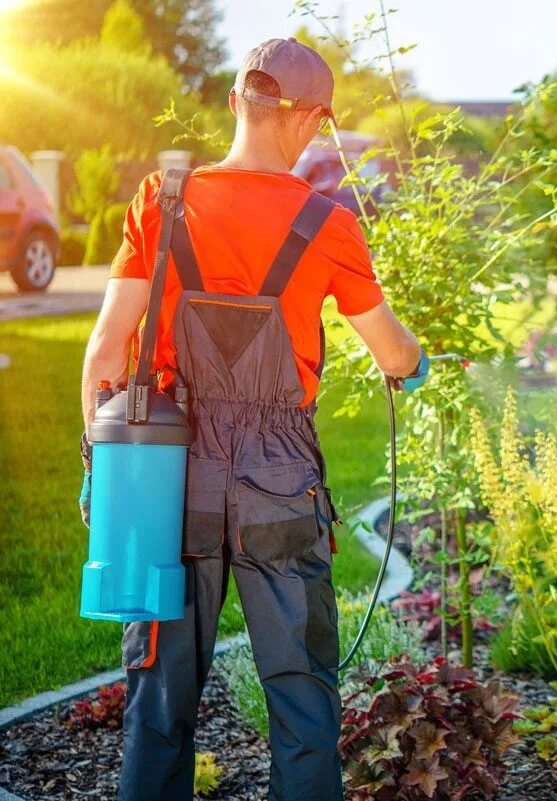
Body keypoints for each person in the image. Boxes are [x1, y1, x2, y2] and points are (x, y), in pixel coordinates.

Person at [78, 38, 424, 801]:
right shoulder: (328, 223)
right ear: (313, 122)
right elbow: (392, 353)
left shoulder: (160, 201)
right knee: (302, 702)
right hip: (280, 481)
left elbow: (106, 351)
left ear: (236, 103)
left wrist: (103, 471)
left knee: (160, 700)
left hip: (173, 480)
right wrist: (415, 360)